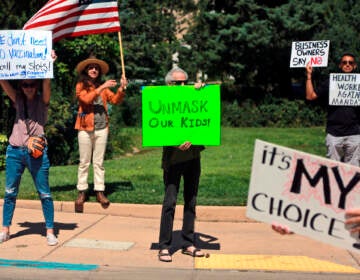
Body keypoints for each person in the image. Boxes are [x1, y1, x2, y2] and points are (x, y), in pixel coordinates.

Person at [0, 50, 58, 246]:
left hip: (37, 152)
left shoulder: (43, 102)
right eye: (25, 85)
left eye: (32, 84)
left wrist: (49, 64)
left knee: (45, 193)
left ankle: (50, 230)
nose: (29, 88)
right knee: (9, 192)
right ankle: (5, 229)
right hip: (15, 151)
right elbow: (3, 81)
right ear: (21, 86)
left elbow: (47, 84)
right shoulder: (18, 100)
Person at [158, 67, 206, 262]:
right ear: (169, 83)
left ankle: (188, 242)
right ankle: (164, 246)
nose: (183, 85)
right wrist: (174, 141)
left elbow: (205, 118)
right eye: (178, 82)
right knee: (170, 202)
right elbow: (158, 129)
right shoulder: (163, 100)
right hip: (173, 161)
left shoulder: (192, 96)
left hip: (193, 158)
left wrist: (202, 90)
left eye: (185, 82)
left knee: (191, 201)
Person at [74, 56, 127, 213]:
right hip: (84, 127)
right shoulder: (81, 85)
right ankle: (82, 191)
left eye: (96, 68)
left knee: (99, 162)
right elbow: (86, 100)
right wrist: (102, 86)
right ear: (86, 70)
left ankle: (99, 191)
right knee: (84, 162)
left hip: (102, 128)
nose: (94, 70)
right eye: (91, 67)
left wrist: (121, 89)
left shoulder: (102, 87)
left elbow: (115, 100)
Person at [306, 53, 360, 166]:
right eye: (344, 62)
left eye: (350, 63)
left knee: (353, 172)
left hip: (355, 134)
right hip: (334, 133)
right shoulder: (331, 81)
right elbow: (310, 96)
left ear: (354, 66)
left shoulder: (358, 83)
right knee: (332, 170)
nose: (347, 65)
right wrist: (309, 75)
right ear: (340, 65)